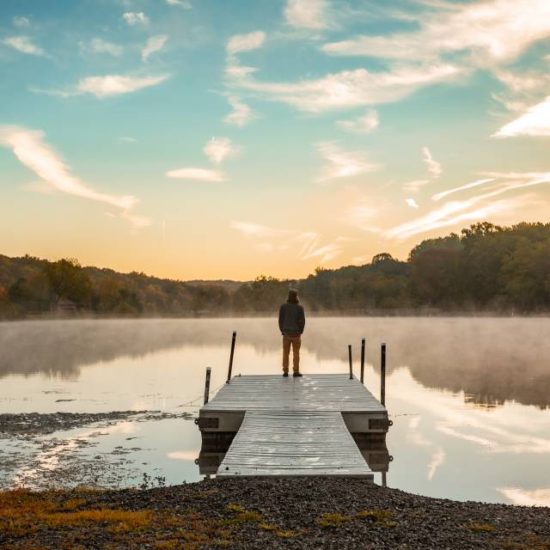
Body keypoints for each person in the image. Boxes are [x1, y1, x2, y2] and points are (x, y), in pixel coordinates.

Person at [278, 289, 306, 377]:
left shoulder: (283, 307)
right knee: (296, 353)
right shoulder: (300, 308)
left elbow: (280, 320)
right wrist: (300, 331)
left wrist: (282, 330)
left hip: (286, 333)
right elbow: (302, 321)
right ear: (296, 297)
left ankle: (285, 371)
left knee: (285, 353)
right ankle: (296, 371)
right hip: (296, 334)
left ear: (288, 297)